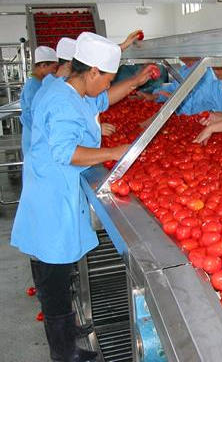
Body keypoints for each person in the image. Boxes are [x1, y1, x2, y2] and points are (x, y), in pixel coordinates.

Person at [11, 32, 151, 361]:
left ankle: (68, 333)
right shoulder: (61, 100)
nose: (107, 86)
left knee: (57, 270)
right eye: (108, 79)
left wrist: (135, 82)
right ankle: (64, 353)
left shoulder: (70, 89)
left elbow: (101, 100)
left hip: (55, 191)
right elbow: (65, 151)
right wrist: (118, 151)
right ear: (92, 72)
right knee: (55, 278)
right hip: (51, 198)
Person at [19, 46, 58, 156]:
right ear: (43, 66)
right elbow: (34, 116)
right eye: (54, 68)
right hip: (34, 137)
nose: (55, 72)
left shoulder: (42, 83)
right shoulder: (32, 86)